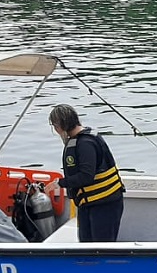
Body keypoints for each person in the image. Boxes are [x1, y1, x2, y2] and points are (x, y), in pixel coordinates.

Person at [46, 104, 124, 242]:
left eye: (55, 126)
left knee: (101, 248)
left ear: (60, 126)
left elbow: (86, 176)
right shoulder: (79, 140)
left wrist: (60, 183)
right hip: (88, 204)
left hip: (104, 203)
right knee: (86, 245)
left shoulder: (85, 144)